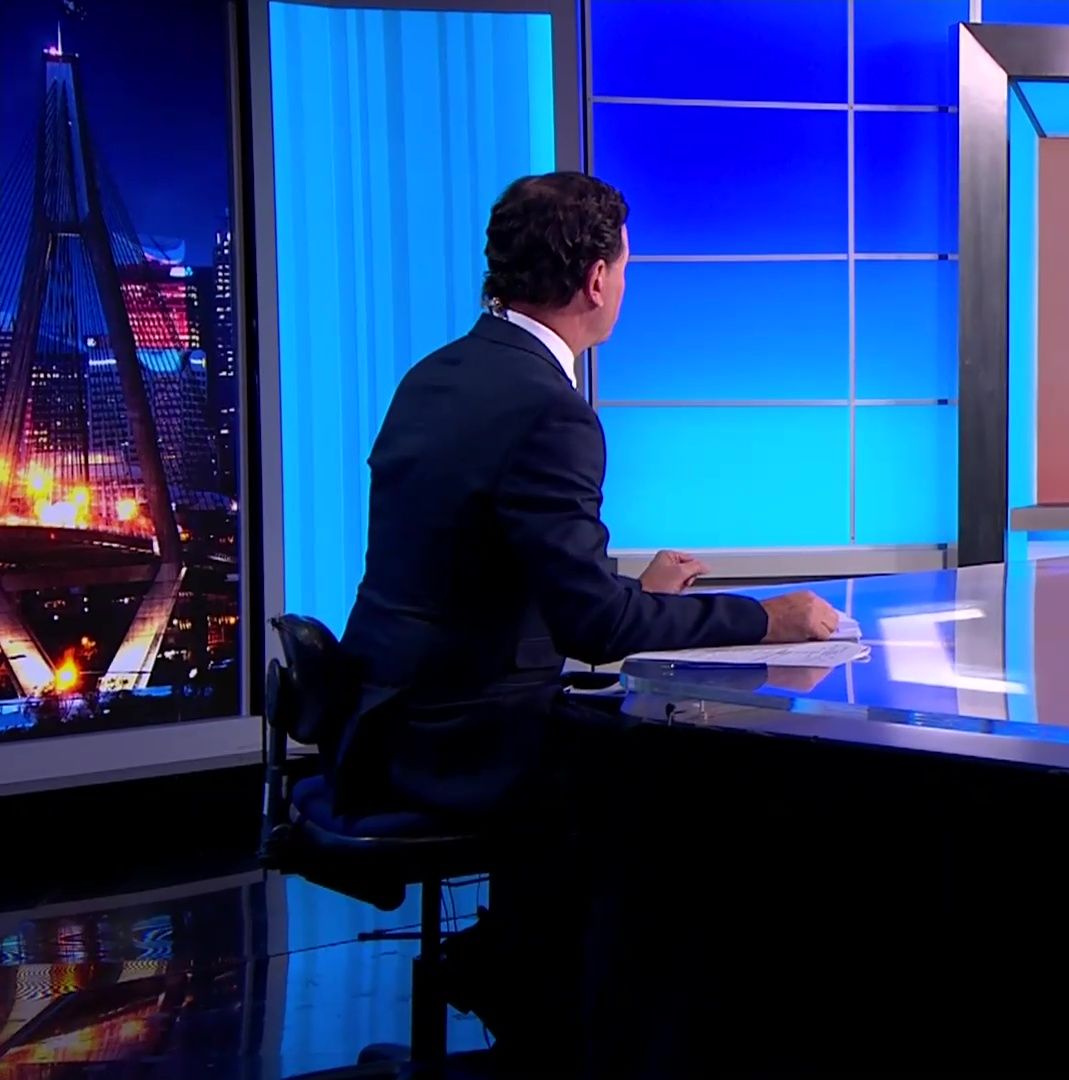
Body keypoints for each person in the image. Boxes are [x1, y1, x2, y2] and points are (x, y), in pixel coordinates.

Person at [327, 172, 839, 1054]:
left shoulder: (435, 375)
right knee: (686, 789)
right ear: (597, 279)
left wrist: (637, 597)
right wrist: (766, 620)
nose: (626, 284)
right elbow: (593, 631)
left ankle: (519, 967)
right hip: (461, 740)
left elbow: (485, 573)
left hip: (383, 722)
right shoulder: (549, 410)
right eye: (627, 267)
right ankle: (578, 1015)